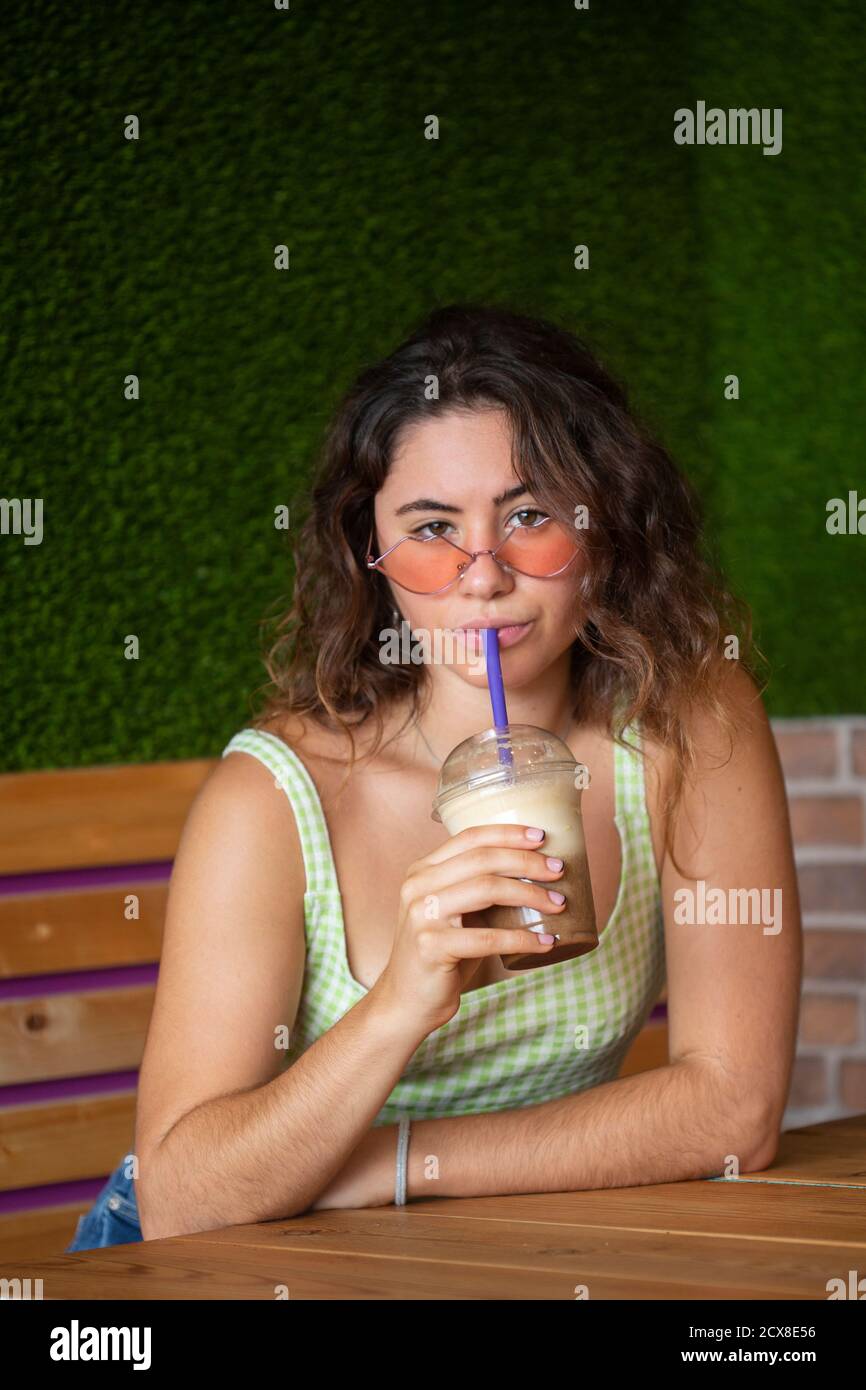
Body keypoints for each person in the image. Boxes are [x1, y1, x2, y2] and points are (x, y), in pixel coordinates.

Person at [66, 303, 801, 1251]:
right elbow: (180, 1198)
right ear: (368, 554)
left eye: (530, 516)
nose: (481, 574)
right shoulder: (278, 798)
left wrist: (392, 1165)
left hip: (466, 1235)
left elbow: (734, 1110)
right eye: (431, 527)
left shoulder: (684, 722)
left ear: (607, 525)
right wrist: (404, 999)